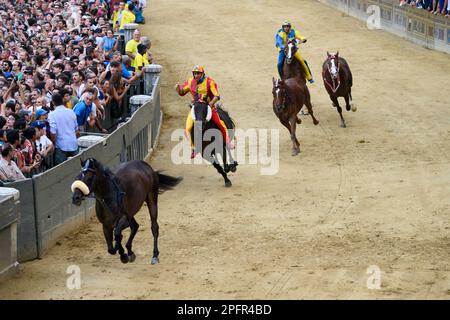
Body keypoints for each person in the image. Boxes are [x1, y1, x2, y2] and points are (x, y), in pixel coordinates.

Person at [175, 65, 232, 159]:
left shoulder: (210, 82)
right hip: (196, 108)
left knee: (220, 124)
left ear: (202, 74)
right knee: (187, 128)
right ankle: (193, 148)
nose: (196, 75)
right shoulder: (190, 81)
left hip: (208, 107)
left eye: (198, 74)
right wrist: (178, 88)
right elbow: (182, 92)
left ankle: (227, 142)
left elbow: (217, 96)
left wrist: (210, 104)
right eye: (194, 73)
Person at [48, 93, 80, 165]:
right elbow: (77, 130)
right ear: (62, 100)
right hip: (73, 144)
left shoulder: (52, 114)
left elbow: (53, 132)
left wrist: (53, 142)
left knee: (61, 171)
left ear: (53, 102)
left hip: (60, 146)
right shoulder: (71, 112)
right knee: (77, 167)